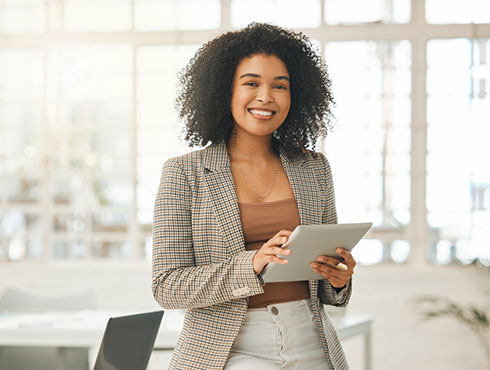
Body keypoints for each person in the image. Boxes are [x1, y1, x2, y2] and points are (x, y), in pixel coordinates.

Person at [152, 22, 356, 370]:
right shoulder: (183, 173)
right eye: (251, 83)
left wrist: (338, 279)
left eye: (280, 86)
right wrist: (252, 263)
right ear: (224, 91)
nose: (266, 96)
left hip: (311, 342)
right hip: (228, 349)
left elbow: (323, 280)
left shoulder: (315, 167)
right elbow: (167, 285)